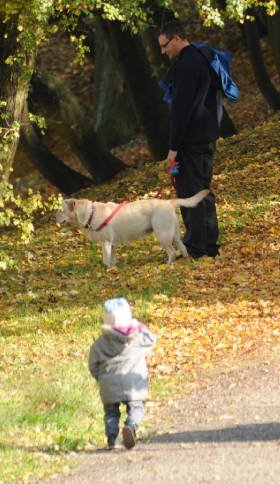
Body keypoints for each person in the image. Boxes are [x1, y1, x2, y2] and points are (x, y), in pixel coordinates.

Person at [158, 21, 221, 259]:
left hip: (191, 140)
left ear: (176, 39)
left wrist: (174, 147)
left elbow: (181, 111)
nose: (164, 52)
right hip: (207, 135)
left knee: (191, 192)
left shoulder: (185, 66)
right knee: (203, 188)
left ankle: (196, 245)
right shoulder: (204, 56)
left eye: (165, 46)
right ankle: (208, 242)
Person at [89, 298, 156, 450]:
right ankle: (131, 426)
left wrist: (99, 377)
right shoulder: (137, 338)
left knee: (111, 413)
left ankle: (112, 439)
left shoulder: (100, 343)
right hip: (133, 384)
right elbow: (152, 339)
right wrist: (139, 326)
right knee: (136, 408)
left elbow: (93, 364)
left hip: (108, 386)